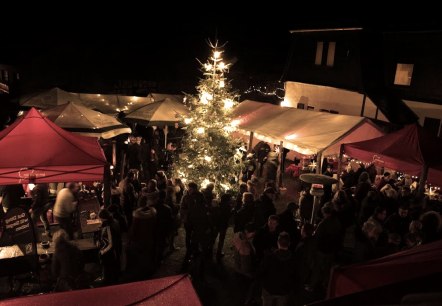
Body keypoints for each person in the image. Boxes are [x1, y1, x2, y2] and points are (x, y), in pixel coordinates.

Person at [258, 232, 296, 306]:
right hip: (284, 291)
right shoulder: (294, 259)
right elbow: (295, 276)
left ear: (278, 243)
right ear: (289, 243)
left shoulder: (269, 257)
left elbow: (260, 272)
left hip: (269, 290)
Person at [97, 209, 122, 285]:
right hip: (116, 251)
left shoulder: (108, 227)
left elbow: (110, 244)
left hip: (110, 253)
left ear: (103, 218)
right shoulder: (114, 222)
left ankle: (106, 281)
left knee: (108, 268)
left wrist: (102, 252)